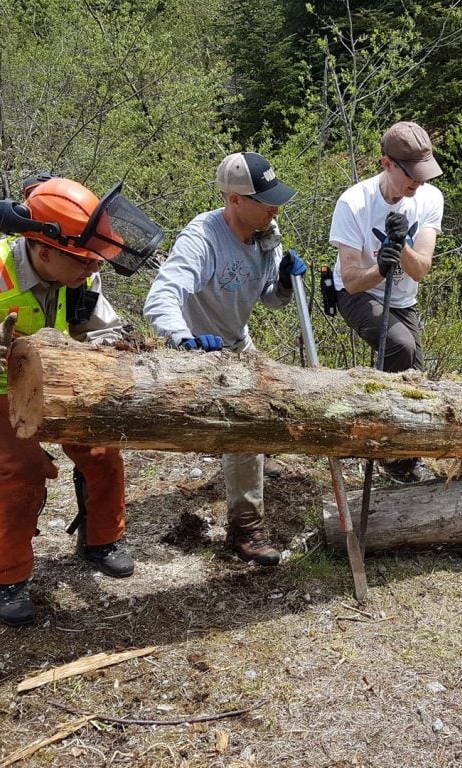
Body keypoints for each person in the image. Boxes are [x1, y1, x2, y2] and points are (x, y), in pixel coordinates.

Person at [0, 176, 163, 626]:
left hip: (51, 378)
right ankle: (7, 579)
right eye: (85, 262)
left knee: (102, 446)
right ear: (45, 249)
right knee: (22, 469)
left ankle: (101, 540)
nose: (93, 271)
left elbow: (103, 330)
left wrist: (124, 348)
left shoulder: (79, 272)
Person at [143, 151, 306, 566]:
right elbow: (163, 294)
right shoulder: (203, 238)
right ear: (234, 199)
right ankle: (245, 530)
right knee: (244, 429)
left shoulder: (267, 229)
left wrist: (284, 283)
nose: (275, 207)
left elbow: (270, 299)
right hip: (202, 350)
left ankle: (251, 463)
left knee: (274, 399)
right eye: (264, 199)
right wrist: (181, 339)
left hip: (237, 342)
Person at [329, 121, 444, 482]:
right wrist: (381, 266)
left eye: (424, 174)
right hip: (357, 293)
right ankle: (390, 455)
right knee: (398, 345)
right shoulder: (354, 203)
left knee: (416, 379)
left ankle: (401, 450)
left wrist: (403, 245)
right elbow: (350, 279)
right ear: (387, 164)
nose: (419, 182)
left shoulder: (429, 198)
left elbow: (421, 269)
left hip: (403, 300)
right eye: (412, 175)